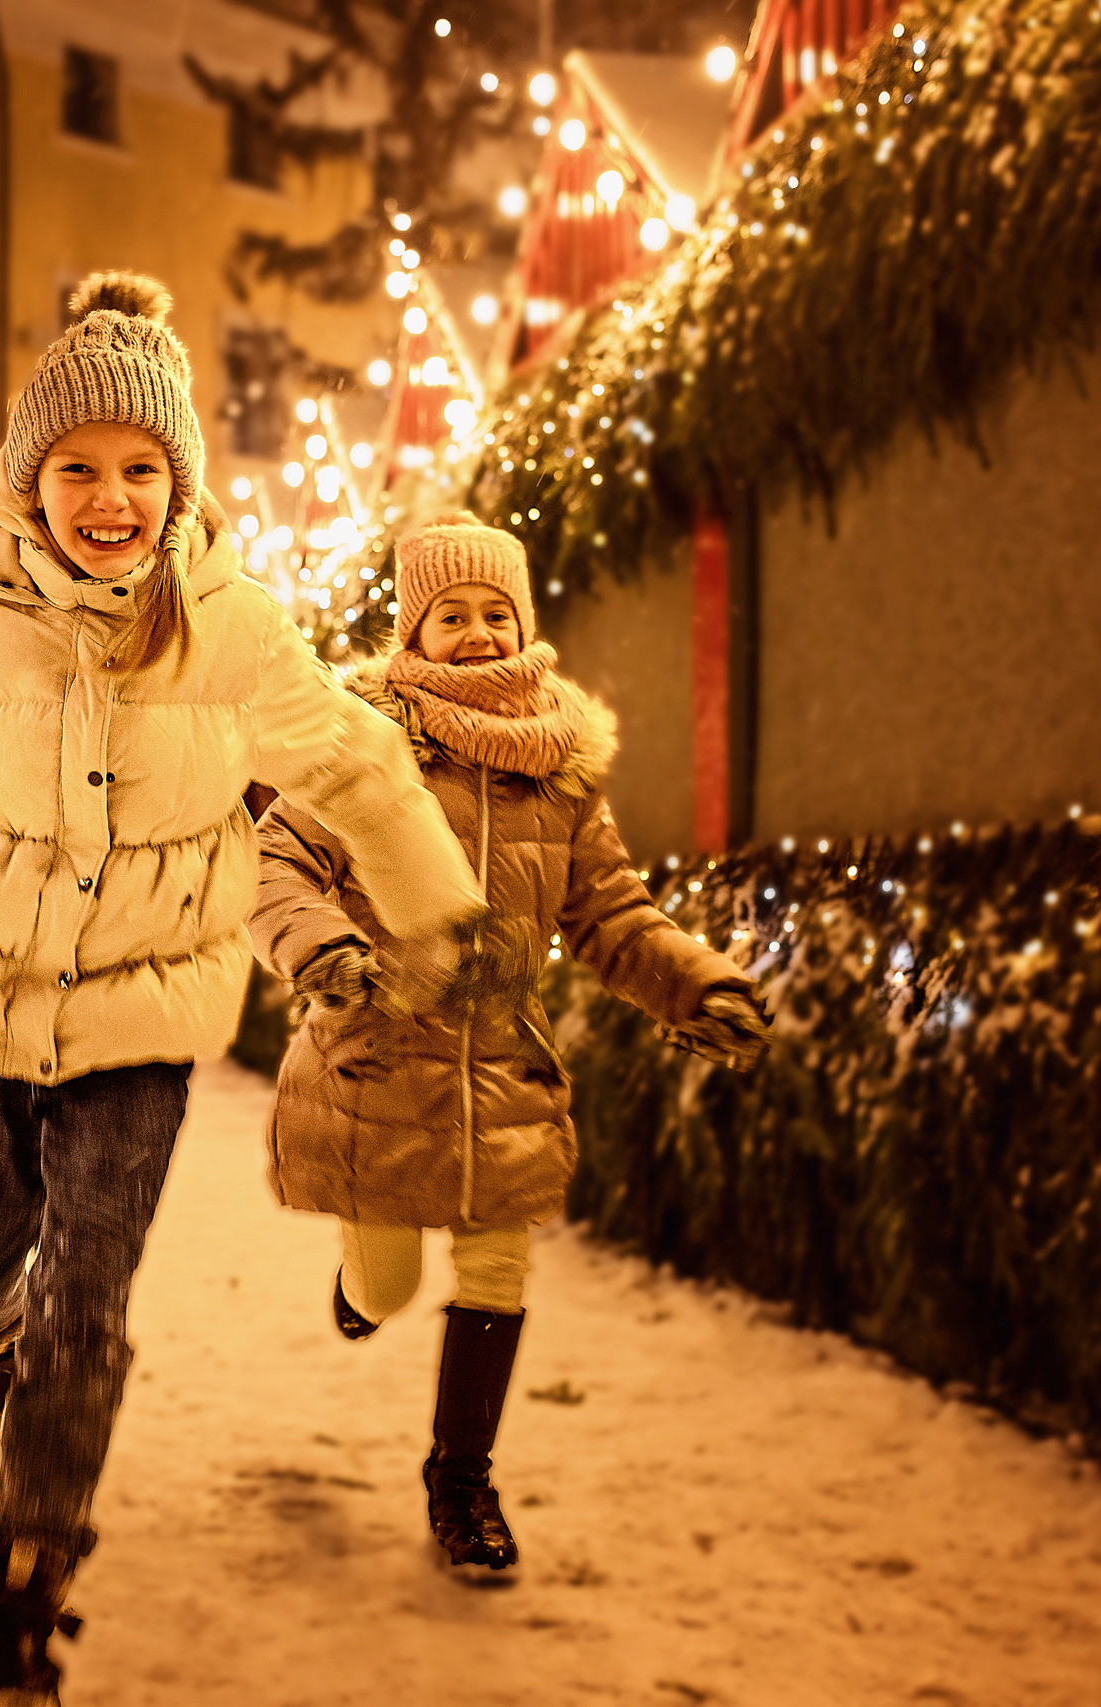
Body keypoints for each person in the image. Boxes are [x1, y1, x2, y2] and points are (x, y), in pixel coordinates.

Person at [0, 273, 485, 1705]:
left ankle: (27, 1558)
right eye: (79, 469)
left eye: (141, 470)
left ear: (181, 487)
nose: (110, 498)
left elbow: (355, 764)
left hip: (149, 1018)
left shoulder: (233, 632)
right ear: (27, 481)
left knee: (87, 1294)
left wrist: (442, 920)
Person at [248, 511, 771, 1585]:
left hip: (501, 1066)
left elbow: (612, 913)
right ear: (413, 632)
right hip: (378, 1055)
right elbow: (274, 868)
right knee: (389, 1286)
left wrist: (694, 982)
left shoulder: (561, 775)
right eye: (452, 614)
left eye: (496, 612)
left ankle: (460, 1480)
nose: (478, 631)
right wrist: (325, 949)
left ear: (523, 624)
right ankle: (360, 1287)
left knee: (497, 1266)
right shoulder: (361, 748)